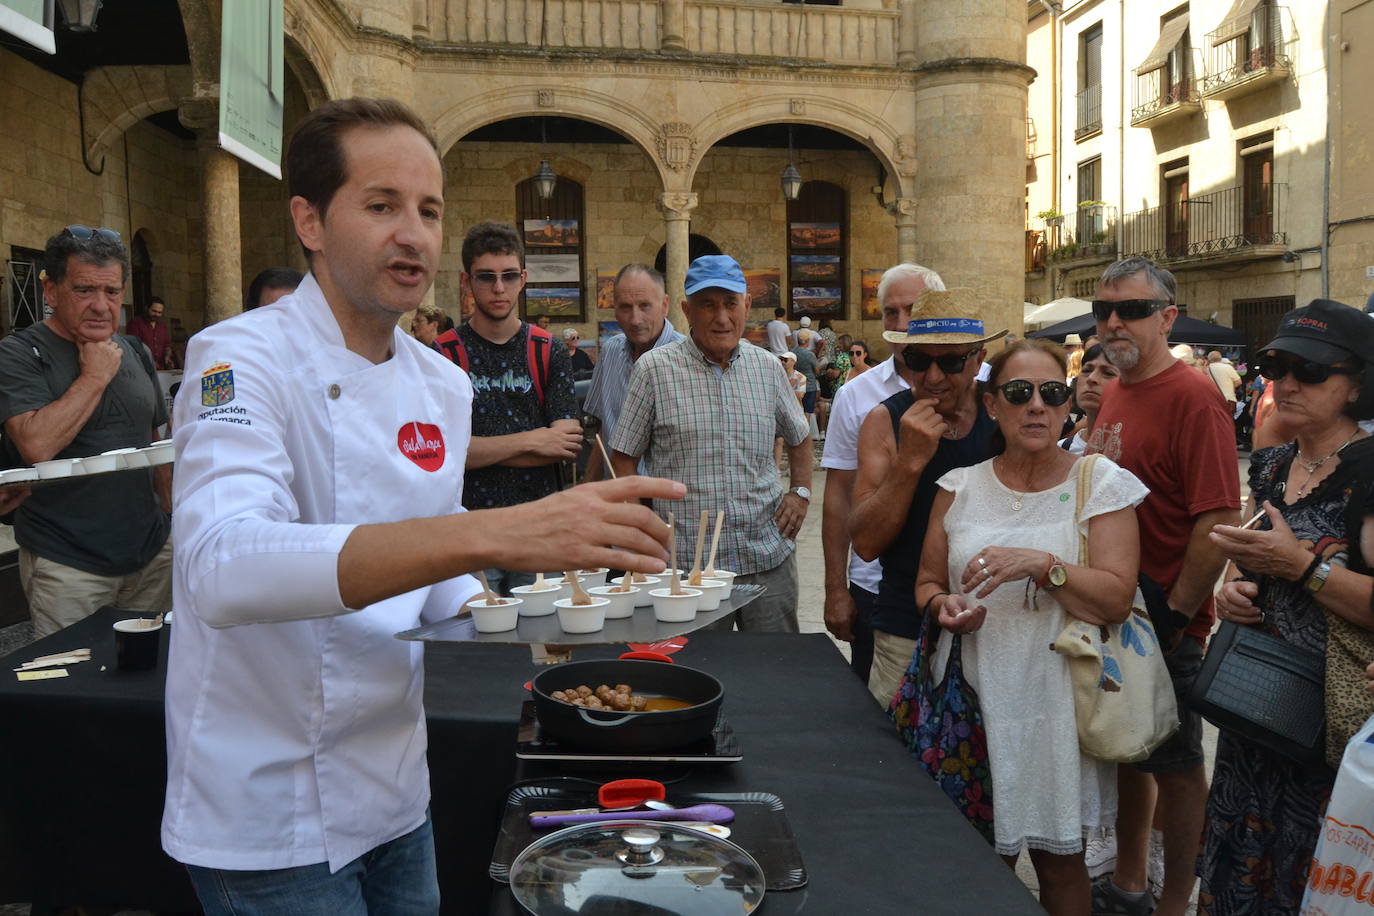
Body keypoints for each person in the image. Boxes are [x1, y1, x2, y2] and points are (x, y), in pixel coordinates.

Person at [161, 97, 680, 914]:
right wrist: (498, 531)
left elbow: (435, 580)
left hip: (395, 788)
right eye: (382, 206)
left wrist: (560, 614)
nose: (413, 234)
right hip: (268, 806)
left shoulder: (440, 384)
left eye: (429, 210)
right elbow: (222, 570)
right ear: (309, 221)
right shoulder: (238, 358)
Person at [915, 338, 1147, 915]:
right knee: (973, 862)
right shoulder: (958, 487)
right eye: (1019, 393)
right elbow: (926, 582)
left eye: (1052, 392)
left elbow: (1117, 599)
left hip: (1057, 701)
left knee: (1060, 863)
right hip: (972, 697)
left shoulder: (1101, 482)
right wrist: (943, 605)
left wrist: (1044, 566)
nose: (1037, 405)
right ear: (992, 405)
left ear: (1068, 403)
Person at [1201, 298, 1374, 916]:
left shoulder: (1370, 471)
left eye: (1312, 370)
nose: (1288, 383)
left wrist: (1302, 568)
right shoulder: (1273, 464)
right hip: (1256, 710)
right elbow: (1251, 560)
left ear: (1357, 384)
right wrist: (1233, 591)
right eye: (1277, 367)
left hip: (1329, 729)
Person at [1086, 256, 1242, 916]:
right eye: (1104, 310)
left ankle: (1174, 902)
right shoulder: (1118, 388)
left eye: (1133, 310)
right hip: (1116, 609)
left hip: (1163, 620)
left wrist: (1178, 614)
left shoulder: (1194, 397)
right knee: (1129, 754)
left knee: (1177, 768)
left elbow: (1219, 517)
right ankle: (1129, 881)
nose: (1114, 322)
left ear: (1167, 318)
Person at [610, 254, 811, 631]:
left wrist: (799, 492)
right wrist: (640, 531)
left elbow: (800, 437)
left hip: (766, 557)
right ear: (687, 310)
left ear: (746, 305)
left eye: (730, 303)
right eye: (707, 305)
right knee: (696, 664)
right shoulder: (654, 370)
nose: (722, 318)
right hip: (688, 567)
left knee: (775, 661)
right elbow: (623, 457)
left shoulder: (767, 368)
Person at [0, 226, 172, 638]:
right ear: (51, 291)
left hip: (151, 554)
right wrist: (94, 377)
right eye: (84, 290)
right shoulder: (19, 353)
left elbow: (155, 442)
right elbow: (36, 445)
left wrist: (171, 520)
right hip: (68, 563)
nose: (100, 305)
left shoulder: (135, 350)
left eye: (112, 292)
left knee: (150, 669)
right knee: (73, 673)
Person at [849, 285, 1001, 704]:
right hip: (906, 623)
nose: (932, 377)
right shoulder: (884, 420)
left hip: (994, 622)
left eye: (950, 362)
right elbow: (865, 543)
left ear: (979, 361)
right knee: (895, 743)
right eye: (918, 360)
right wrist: (910, 462)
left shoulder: (1002, 415)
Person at [822, 263, 943, 684]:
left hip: (960, 589)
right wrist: (836, 589)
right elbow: (839, 493)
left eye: (913, 309)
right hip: (875, 587)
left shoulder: (980, 386)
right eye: (891, 312)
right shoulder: (856, 394)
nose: (902, 323)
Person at [450, 221, 582, 594]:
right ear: (467, 281)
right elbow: (445, 456)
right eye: (486, 277)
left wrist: (479, 449)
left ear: (523, 279)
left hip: (541, 530)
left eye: (508, 276)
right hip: (470, 533)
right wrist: (533, 439)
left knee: (543, 630)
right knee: (476, 629)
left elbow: (565, 445)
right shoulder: (443, 354)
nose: (499, 288)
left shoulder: (548, 350)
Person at [582, 263, 683, 481]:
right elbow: (603, 432)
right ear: (614, 309)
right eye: (626, 307)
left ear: (665, 305)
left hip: (666, 498)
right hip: (616, 494)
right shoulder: (610, 352)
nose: (635, 319)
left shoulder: (689, 360)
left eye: (645, 306)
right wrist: (587, 485)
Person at [1058, 343, 1119, 454]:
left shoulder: (1138, 451)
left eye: (1108, 373)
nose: (1091, 378)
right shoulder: (1061, 449)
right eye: (1086, 370)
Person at [127, 296, 177, 369]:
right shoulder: (135, 323)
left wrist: (167, 357)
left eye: (159, 312)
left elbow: (167, 345)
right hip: (142, 368)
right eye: (154, 311)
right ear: (146, 308)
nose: (156, 314)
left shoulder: (162, 326)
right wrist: (150, 362)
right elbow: (133, 347)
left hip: (160, 369)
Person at [793, 327, 821, 440]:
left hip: (795, 385)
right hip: (809, 386)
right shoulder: (810, 355)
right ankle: (804, 437)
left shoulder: (792, 353)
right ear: (808, 341)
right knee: (807, 412)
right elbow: (817, 370)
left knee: (796, 411)